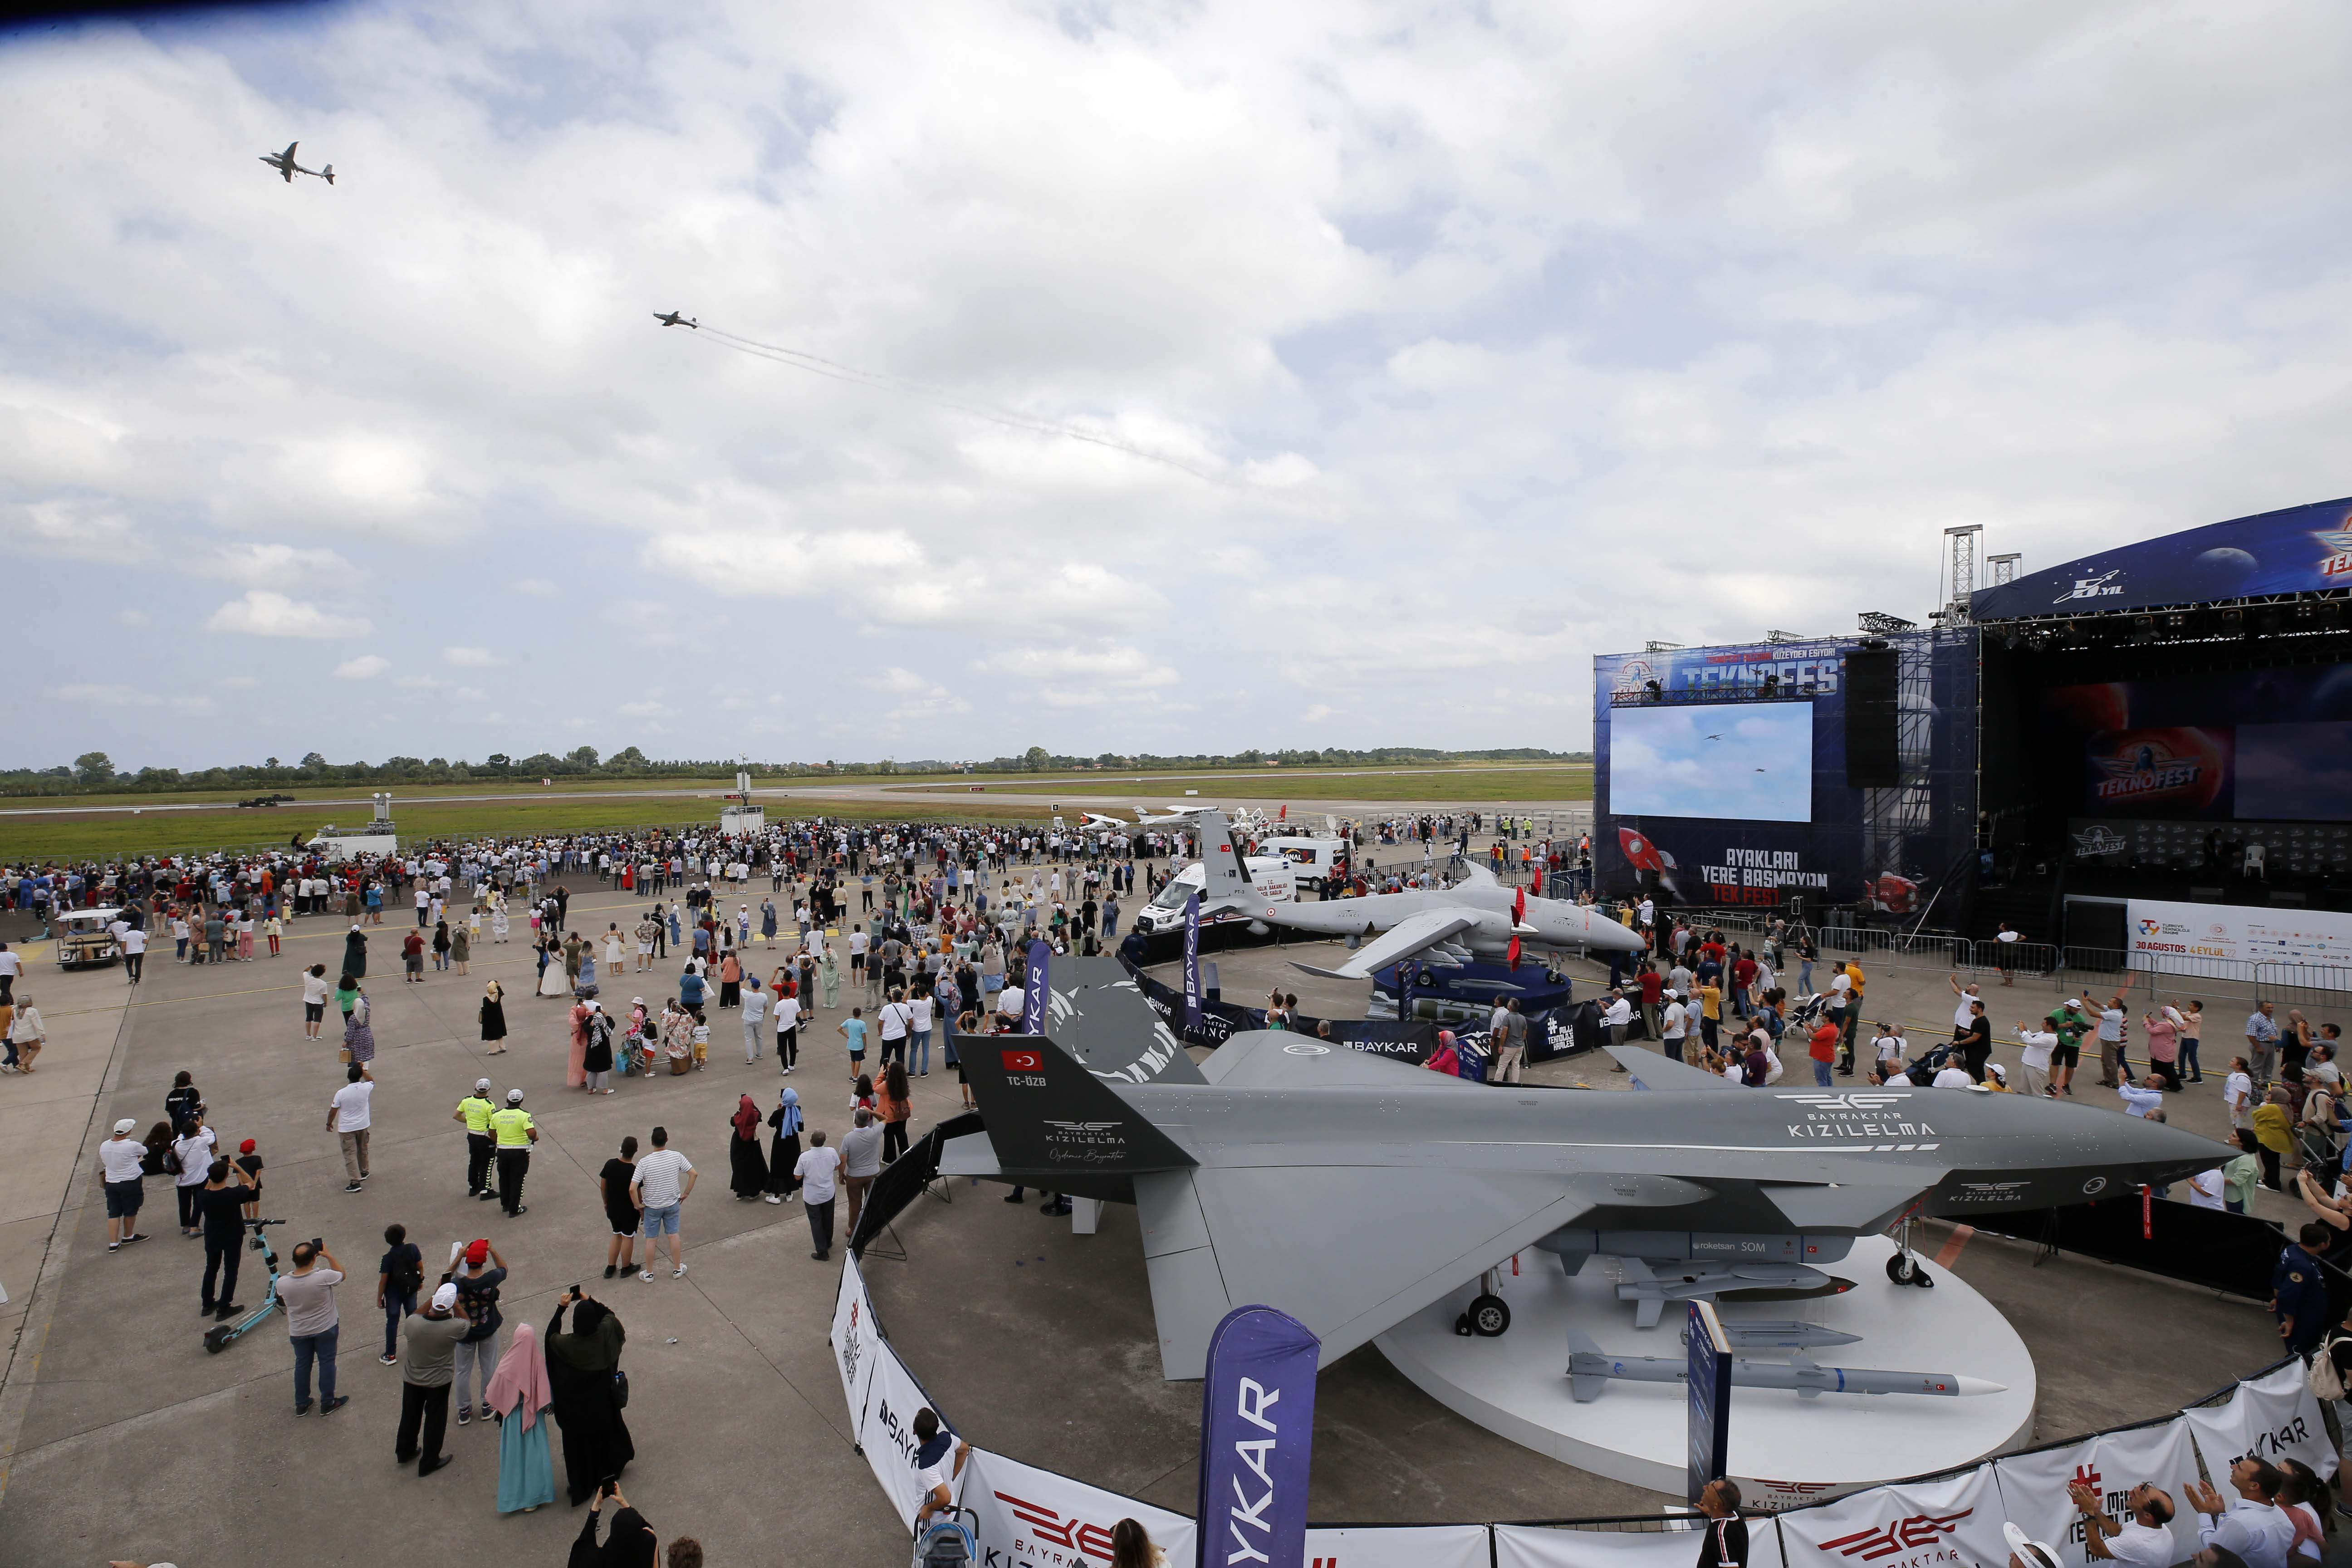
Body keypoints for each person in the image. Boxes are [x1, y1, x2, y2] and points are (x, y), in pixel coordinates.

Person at [545, 1288, 634, 1507]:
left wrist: (561, 1309)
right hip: (604, 1403)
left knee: (580, 1447)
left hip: (577, 1410)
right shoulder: (604, 1334)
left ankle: (583, 1484)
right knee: (606, 1438)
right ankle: (608, 1472)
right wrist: (588, 1299)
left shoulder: (566, 1345)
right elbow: (610, 1315)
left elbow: (550, 1337)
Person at [396, 1282, 470, 1477]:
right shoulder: (454, 1327)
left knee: (410, 1416)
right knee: (435, 1421)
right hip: (438, 1382)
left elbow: (416, 1314)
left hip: (412, 1378)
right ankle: (429, 1461)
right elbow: (466, 1322)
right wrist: (456, 1305)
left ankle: (405, 1451)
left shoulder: (413, 1324)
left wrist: (434, 1297)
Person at [484, 1322, 556, 1513]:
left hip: (513, 1419)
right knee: (534, 1457)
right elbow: (546, 1394)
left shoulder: (507, 1363)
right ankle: (534, 1497)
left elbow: (492, 1393)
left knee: (515, 1459)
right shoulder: (538, 1361)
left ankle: (515, 1498)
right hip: (533, 1419)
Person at [279, 1239, 348, 1416]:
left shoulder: (282, 1283)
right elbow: (342, 1274)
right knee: (327, 1363)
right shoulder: (324, 1277)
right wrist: (329, 1255)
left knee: (302, 1365)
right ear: (315, 1258)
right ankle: (328, 1402)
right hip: (326, 1328)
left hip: (299, 1331)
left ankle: (301, 1404)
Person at [2187, 1458, 2294, 1568]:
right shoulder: (2281, 1515)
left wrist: (2204, 1513)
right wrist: (2220, 1514)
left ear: (2254, 1486)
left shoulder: (2240, 1523)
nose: (2233, 1467)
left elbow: (2212, 1553)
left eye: (2240, 1468)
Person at [450, 1238, 508, 1426]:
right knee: (489, 1367)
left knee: (462, 1371)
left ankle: (464, 1410)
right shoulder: (491, 1278)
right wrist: (491, 1249)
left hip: (464, 1333)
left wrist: (458, 1256)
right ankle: (487, 1404)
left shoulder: (457, 1283)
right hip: (487, 1329)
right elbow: (504, 1268)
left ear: (467, 1261)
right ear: (483, 1262)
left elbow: (444, 1279)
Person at [194, 1157, 256, 1320]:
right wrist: (238, 1167)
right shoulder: (233, 1193)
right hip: (232, 1235)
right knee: (230, 1270)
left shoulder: (203, 1196)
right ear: (227, 1175)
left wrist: (212, 1177)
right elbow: (251, 1183)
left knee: (211, 1268)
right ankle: (224, 1306)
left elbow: (209, 1187)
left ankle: (207, 1304)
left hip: (212, 1236)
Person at [631, 1125, 696, 1281]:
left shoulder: (644, 1162)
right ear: (667, 1140)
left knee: (651, 1239)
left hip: (652, 1206)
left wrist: (638, 1205)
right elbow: (693, 1174)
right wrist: (686, 1193)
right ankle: (677, 1268)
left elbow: (632, 1189)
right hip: (672, 1203)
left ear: (652, 1142)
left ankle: (650, 1273)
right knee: (673, 1235)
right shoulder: (676, 1156)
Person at [2070, 1475, 2177, 1567]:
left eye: (2134, 1496)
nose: (2130, 1492)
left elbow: (2097, 1549)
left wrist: (2088, 1512)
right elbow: (2119, 1531)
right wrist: (2096, 1512)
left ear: (2148, 1515)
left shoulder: (2139, 1542)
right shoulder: (2156, 1527)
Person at [2274, 1222, 2334, 1355]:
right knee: (2300, 1353)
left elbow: (2279, 1275)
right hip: (2302, 1317)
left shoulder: (2292, 1249)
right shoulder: (2302, 1266)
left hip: (2303, 1309)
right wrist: (2289, 1322)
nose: (2330, 1241)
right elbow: (2288, 1295)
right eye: (2329, 1240)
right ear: (2322, 1245)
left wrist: (2276, 1297)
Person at [910, 1406, 972, 1531]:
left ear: (914, 1432)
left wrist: (928, 1508)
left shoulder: (926, 1467)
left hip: (934, 1523)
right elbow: (965, 1449)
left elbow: (945, 1498)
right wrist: (951, 1476)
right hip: (953, 1514)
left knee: (930, 1550)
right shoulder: (947, 1438)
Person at [568, 1483, 655, 1568]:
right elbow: (645, 1526)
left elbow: (582, 1548)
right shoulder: (648, 1549)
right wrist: (624, 1503)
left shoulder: (598, 1561)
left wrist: (596, 1505)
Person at [97, 1117, 149, 1252]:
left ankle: (113, 1243)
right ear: (129, 1131)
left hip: (111, 1182)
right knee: (131, 1210)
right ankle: (128, 1236)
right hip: (130, 1181)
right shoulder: (132, 1145)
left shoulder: (104, 1145)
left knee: (113, 1212)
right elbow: (145, 1152)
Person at [377, 1221, 423, 1366]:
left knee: (392, 1322)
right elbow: (420, 1266)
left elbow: (383, 1281)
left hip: (394, 1294)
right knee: (413, 1318)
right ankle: (418, 1350)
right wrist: (420, 1280)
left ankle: (391, 1354)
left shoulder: (387, 1259)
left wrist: (380, 1298)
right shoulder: (412, 1248)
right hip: (411, 1289)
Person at [598, 1136, 642, 1279]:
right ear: (635, 1151)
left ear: (621, 1148)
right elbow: (637, 1192)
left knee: (616, 1234)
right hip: (629, 1212)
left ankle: (610, 1268)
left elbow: (603, 1186)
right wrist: (640, 1208)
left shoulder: (610, 1164)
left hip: (613, 1209)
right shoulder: (634, 1171)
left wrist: (606, 1202)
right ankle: (626, 1267)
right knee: (628, 1237)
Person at [327, 1063, 374, 1194]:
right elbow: (371, 1080)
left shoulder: (341, 1093)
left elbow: (333, 1111)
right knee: (363, 1149)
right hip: (363, 1125)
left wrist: (329, 1123)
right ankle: (364, 1171)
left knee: (350, 1154)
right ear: (359, 1076)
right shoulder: (366, 1088)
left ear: (348, 1077)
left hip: (347, 1128)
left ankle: (355, 1182)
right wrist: (363, 1070)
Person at [490, 1088, 538, 1216]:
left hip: (502, 1151)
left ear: (507, 1100)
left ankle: (505, 1204)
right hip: (519, 1152)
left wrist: (499, 1142)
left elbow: (492, 1133)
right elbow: (531, 1133)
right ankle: (514, 1208)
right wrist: (535, 1138)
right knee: (517, 1180)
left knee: (504, 1178)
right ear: (521, 1101)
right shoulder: (524, 1115)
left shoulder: (497, 1115)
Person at [794, 1129, 841, 1259]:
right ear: (824, 1141)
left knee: (816, 1221)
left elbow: (797, 1176)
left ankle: (822, 1251)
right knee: (828, 1217)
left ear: (811, 1142)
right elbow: (837, 1166)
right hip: (828, 1192)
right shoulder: (831, 1152)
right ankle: (827, 1241)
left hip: (812, 1196)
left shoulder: (804, 1157)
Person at [840, 1107, 884, 1236]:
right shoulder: (875, 1132)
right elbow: (885, 1119)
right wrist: (872, 1112)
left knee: (855, 1204)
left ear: (855, 1120)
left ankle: (853, 1230)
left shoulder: (848, 1138)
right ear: (868, 1120)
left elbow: (843, 1160)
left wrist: (841, 1175)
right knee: (872, 1201)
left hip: (854, 1176)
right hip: (873, 1174)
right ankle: (874, 1227)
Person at [455, 1078, 498, 1200]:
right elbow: (493, 1124)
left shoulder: (466, 1101)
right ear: (488, 1090)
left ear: (476, 1088)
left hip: (472, 1136)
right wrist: (496, 1140)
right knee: (487, 1164)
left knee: (474, 1161)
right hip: (485, 1137)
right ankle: (486, 1190)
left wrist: (468, 1121)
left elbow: (456, 1116)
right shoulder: (489, 1105)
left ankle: (474, 1187)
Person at [1695, 1477, 1747, 1568]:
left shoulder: (1721, 1534)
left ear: (1716, 1505)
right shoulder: (1735, 1513)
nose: (1704, 1488)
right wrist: (1711, 1511)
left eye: (1709, 1490)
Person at [764, 1085, 803, 1205]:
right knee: (791, 1165)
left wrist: (777, 1110)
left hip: (780, 1143)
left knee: (778, 1166)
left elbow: (770, 1124)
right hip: (793, 1143)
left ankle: (776, 1194)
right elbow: (801, 1128)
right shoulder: (797, 1111)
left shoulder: (779, 1113)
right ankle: (789, 1193)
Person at [727, 1093, 769, 1199]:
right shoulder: (755, 1116)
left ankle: (740, 1191)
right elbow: (758, 1113)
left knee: (739, 1167)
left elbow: (733, 1121)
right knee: (753, 1166)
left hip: (738, 1144)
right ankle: (753, 1191)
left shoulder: (736, 1119)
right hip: (752, 1144)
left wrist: (741, 1109)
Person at [879, 1061, 912, 1164]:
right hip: (903, 1112)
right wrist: (892, 1068)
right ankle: (906, 1154)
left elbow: (875, 1087)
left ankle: (889, 1158)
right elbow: (897, 1073)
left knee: (889, 1136)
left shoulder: (887, 1086)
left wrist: (881, 1073)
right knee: (901, 1133)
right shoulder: (903, 1083)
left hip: (889, 1115)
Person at [480, 980, 508, 1055]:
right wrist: (498, 986)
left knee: (492, 1035)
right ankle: (502, 1047)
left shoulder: (486, 999)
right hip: (499, 1017)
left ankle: (493, 1050)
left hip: (490, 1019)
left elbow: (486, 1010)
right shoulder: (498, 996)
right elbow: (501, 993)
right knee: (499, 1033)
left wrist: (482, 1009)